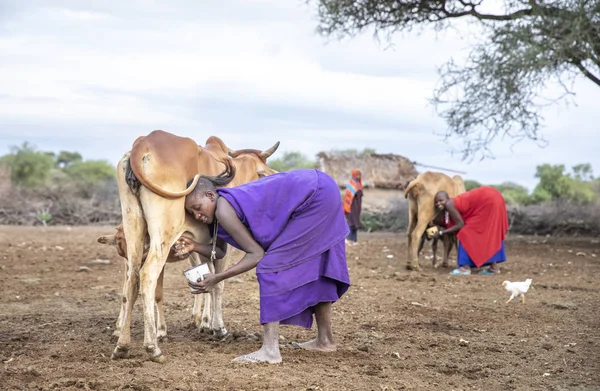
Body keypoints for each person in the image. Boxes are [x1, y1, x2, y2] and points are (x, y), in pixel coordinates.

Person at [176, 168, 351, 364]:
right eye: (191, 212)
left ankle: (270, 350)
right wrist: (195, 246)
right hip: (321, 187)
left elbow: (256, 254)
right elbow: (220, 251)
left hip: (316, 194)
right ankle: (325, 341)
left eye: (197, 207)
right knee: (316, 265)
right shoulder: (218, 214)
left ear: (210, 195)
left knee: (270, 268)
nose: (197, 215)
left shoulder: (223, 208)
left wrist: (217, 278)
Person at [433, 186, 509, 275]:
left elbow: (460, 224)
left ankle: (465, 268)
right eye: (436, 202)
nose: (438, 204)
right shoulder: (449, 206)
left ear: (448, 198)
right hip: (494, 197)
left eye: (441, 200)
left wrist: (441, 233)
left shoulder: (449, 204)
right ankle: (494, 268)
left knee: (465, 233)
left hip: (489, 200)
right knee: (488, 234)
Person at [343, 169, 363, 246]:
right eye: (357, 175)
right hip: (351, 207)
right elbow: (348, 198)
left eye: (359, 174)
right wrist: (347, 207)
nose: (358, 176)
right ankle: (347, 239)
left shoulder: (359, 184)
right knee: (351, 222)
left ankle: (355, 240)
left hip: (357, 208)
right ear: (353, 175)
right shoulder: (351, 184)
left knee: (356, 223)